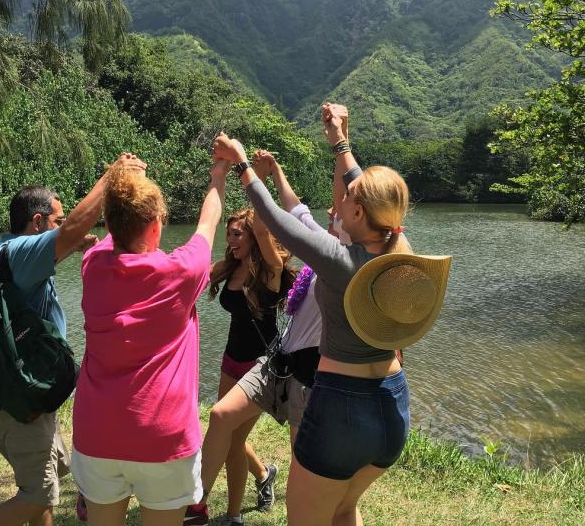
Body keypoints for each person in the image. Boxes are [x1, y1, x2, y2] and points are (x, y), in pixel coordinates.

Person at [212, 106, 414, 526]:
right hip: (392, 403)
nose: (339, 205)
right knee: (343, 509)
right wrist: (340, 142)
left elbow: (272, 217)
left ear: (359, 215)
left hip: (342, 406)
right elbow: (363, 188)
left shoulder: (340, 260)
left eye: (348, 202)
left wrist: (242, 161)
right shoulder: (400, 249)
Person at [0, 153, 145, 526]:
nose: (63, 225)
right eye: (56, 220)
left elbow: (63, 243)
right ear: (37, 222)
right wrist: (112, 175)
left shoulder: (12, 257)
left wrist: (73, 244)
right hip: (17, 404)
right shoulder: (19, 253)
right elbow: (68, 235)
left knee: (50, 481)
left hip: (21, 396)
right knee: (38, 495)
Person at [70, 158, 229, 526]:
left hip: (97, 434)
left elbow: (115, 235)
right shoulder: (183, 272)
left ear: (108, 224)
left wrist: (123, 180)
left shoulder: (92, 266)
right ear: (157, 226)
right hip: (164, 440)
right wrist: (218, 175)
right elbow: (209, 221)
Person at [194, 204, 295, 525]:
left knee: (233, 440)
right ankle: (264, 474)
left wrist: (256, 185)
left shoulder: (269, 271)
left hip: (261, 365)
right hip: (231, 359)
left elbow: (269, 243)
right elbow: (187, 273)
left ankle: (233, 515)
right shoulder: (229, 266)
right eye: (228, 234)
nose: (231, 240)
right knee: (225, 435)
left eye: (237, 234)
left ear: (253, 236)